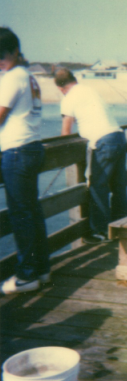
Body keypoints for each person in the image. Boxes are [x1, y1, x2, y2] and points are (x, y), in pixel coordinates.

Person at [0, 27, 50, 295]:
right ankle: (41, 269)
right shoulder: (28, 76)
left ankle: (27, 276)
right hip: (32, 148)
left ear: (15, 52)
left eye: (2, 56)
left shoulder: (11, 78)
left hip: (17, 152)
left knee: (21, 216)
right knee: (32, 212)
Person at [54, 68, 127, 243]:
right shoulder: (89, 90)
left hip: (103, 142)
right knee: (119, 187)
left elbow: (65, 131)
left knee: (97, 186)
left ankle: (100, 232)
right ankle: (122, 228)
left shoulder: (68, 97)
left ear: (60, 88)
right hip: (118, 136)